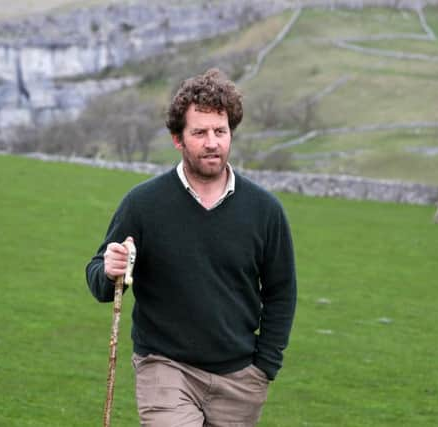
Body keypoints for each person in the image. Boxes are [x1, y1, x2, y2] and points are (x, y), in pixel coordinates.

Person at [86, 68, 296, 426]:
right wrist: (110, 269)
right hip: (165, 367)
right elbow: (99, 278)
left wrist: (265, 367)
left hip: (240, 378)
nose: (212, 142)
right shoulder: (143, 204)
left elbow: (281, 292)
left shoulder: (265, 211)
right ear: (177, 139)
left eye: (220, 131)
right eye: (199, 133)